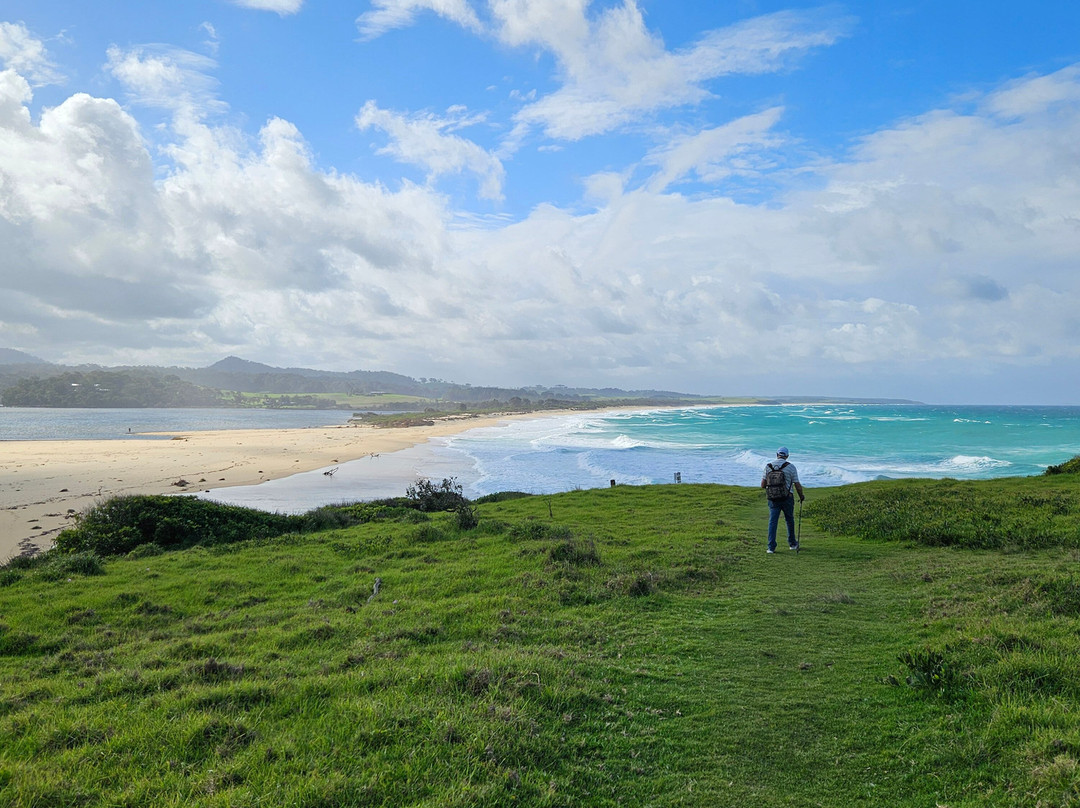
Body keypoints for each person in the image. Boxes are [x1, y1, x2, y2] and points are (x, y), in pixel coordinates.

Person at [760, 446, 805, 554]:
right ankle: (792, 544)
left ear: (777, 454)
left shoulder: (768, 466)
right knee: (789, 520)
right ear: (787, 456)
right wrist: (801, 496)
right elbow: (797, 485)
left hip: (773, 498)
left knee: (773, 521)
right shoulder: (791, 467)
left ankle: (771, 547)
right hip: (787, 498)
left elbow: (762, 485)